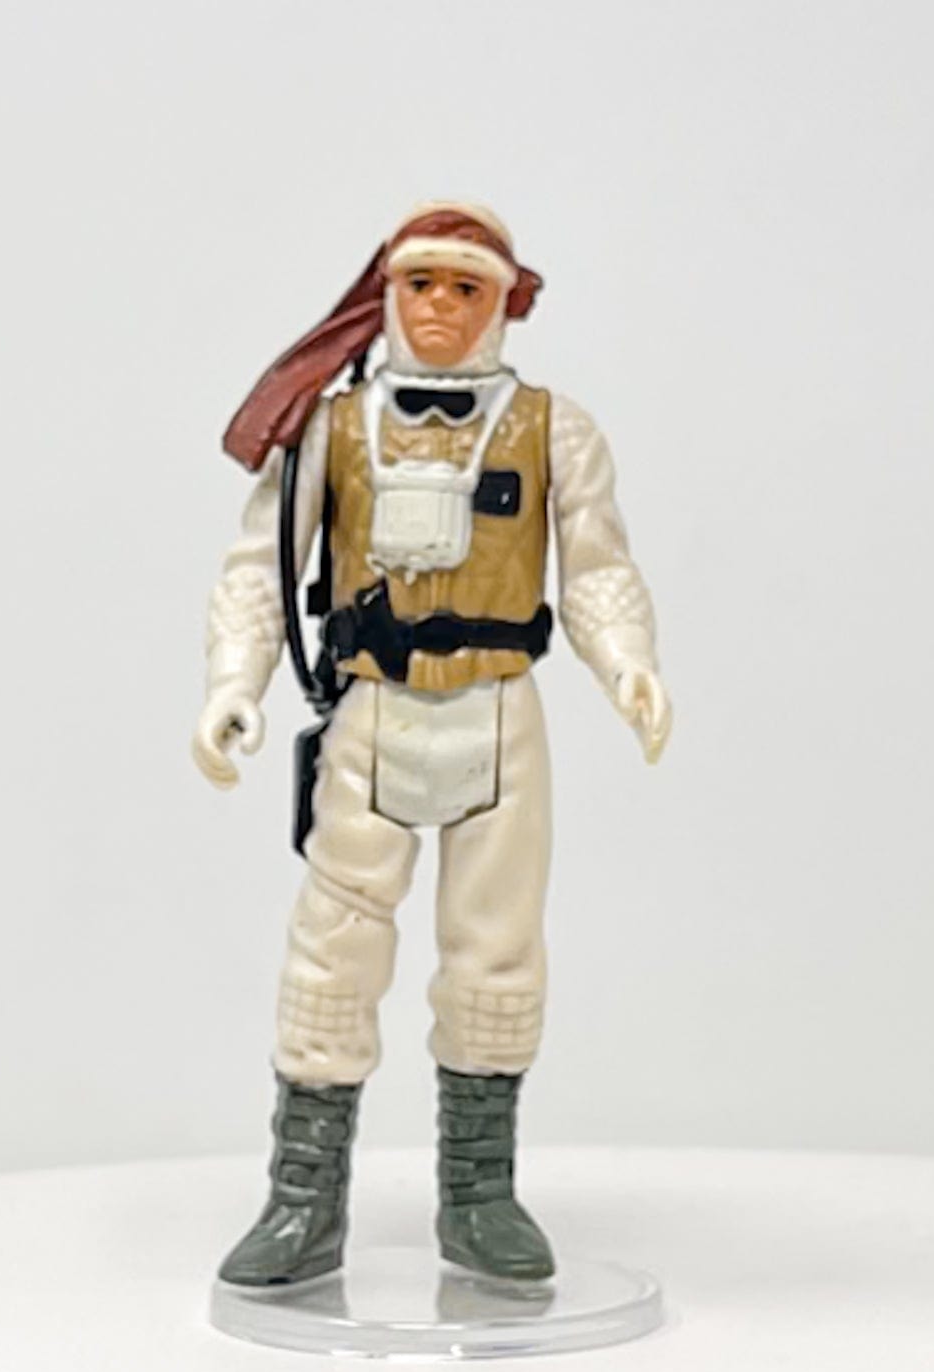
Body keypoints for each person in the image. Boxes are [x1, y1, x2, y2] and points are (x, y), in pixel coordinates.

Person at [194, 202, 671, 1286]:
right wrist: (233, 681)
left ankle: (480, 1194)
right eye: (422, 286)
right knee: (332, 957)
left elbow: (595, 565)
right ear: (389, 296)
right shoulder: (330, 430)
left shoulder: (555, 430)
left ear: (502, 302)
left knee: (496, 958)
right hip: (373, 713)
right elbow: (259, 566)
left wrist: (627, 660)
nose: (442, 309)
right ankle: (303, 1200)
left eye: (466, 288)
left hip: (499, 719)